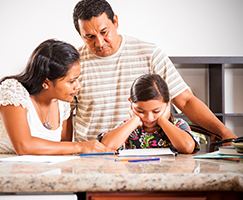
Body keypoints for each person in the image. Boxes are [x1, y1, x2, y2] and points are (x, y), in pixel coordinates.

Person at [68, 0, 237, 143]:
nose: (99, 42)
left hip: (146, 155)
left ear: (116, 22)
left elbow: (185, 101)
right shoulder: (73, 64)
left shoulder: (149, 54)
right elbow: (65, 116)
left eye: (104, 32)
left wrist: (226, 134)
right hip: (92, 156)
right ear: (80, 34)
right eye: (89, 36)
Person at [0, 39, 114, 155]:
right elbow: (24, 147)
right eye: (71, 81)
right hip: (3, 175)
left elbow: (63, 150)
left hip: (45, 175)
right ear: (46, 83)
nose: (78, 86)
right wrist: (80, 146)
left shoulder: (62, 103)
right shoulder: (13, 91)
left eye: (77, 79)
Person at [98, 73, 200, 154]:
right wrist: (135, 120)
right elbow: (106, 146)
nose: (149, 118)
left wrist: (162, 121)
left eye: (156, 111)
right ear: (131, 104)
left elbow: (188, 147)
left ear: (167, 104)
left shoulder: (178, 125)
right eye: (140, 111)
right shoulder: (127, 128)